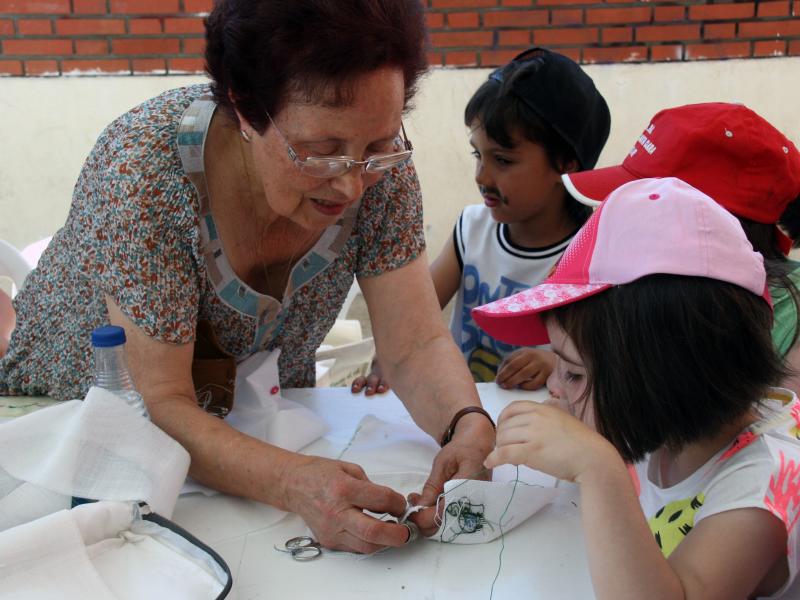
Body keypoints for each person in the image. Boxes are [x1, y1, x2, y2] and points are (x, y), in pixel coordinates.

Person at [0, 0, 496, 552]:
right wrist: (293, 482)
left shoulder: (377, 171)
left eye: (378, 145)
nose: (352, 185)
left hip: (248, 431)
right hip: (80, 442)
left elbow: (416, 343)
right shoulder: (140, 171)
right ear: (243, 108)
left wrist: (463, 421)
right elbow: (162, 403)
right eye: (321, 152)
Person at [474, 177, 800, 599]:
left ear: (661, 379)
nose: (554, 387)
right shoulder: (662, 424)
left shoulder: (764, 485)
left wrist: (597, 468)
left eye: (573, 373)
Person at [352, 47, 610, 395]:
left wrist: (558, 365)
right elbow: (412, 322)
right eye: (478, 154)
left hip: (544, 427)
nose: (482, 176)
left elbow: (609, 365)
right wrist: (387, 361)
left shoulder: (594, 254)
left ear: (565, 164)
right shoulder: (472, 230)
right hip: (460, 412)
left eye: (503, 160)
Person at [561, 102, 800, 391]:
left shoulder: (790, 321)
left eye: (644, 208)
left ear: (713, 224)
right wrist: (571, 364)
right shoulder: (651, 284)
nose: (619, 222)